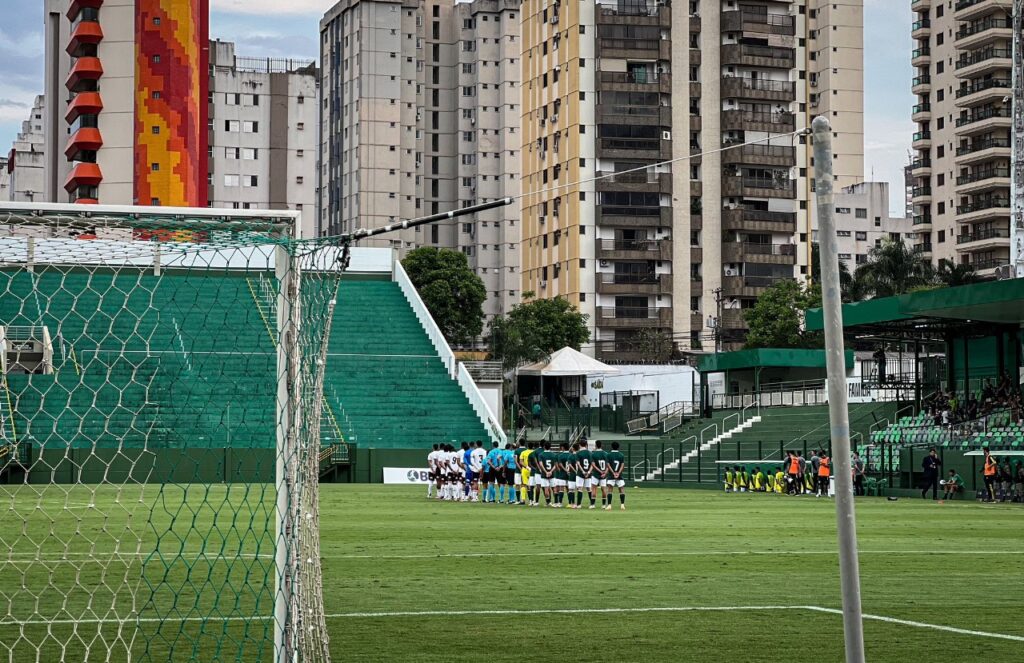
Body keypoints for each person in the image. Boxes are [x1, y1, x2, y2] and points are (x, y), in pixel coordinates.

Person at [606, 441, 626, 510]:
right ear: (618, 447)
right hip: (619, 475)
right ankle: (622, 505)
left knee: (610, 489)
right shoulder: (621, 455)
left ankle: (609, 505)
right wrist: (618, 473)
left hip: (611, 475)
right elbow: (622, 465)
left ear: (612, 447)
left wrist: (613, 473)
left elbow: (608, 465)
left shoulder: (608, 455)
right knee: (621, 489)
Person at [592, 441, 610, 508]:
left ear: (596, 445)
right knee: (604, 489)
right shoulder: (606, 454)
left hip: (595, 474)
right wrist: (604, 472)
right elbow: (608, 465)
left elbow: (593, 465)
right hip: (604, 475)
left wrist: (600, 471)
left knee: (593, 489)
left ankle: (593, 505)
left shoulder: (593, 454)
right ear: (601, 445)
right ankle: (603, 505)